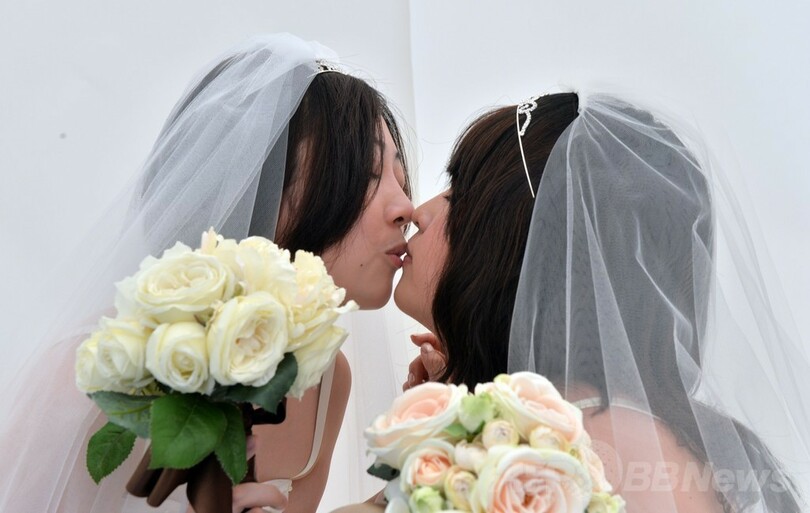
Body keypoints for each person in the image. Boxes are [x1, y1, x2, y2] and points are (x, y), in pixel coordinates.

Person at [0, 33, 413, 513]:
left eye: (401, 180)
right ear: (261, 181)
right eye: (368, 175)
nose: (406, 207)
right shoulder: (100, 365)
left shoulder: (325, 381)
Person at [388, 92, 809, 512]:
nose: (418, 212)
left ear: (525, 247)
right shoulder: (636, 432)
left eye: (459, 196)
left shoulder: (578, 452)